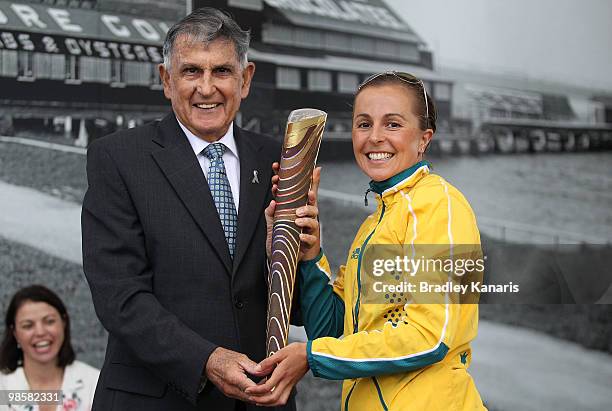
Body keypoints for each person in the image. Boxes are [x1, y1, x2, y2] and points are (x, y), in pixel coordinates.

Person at [81, 7, 309, 411]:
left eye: (222, 71)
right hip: (157, 400)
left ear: (246, 79)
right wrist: (207, 360)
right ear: (166, 80)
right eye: (191, 72)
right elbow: (120, 295)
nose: (207, 88)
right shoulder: (118, 158)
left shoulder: (279, 160)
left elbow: (293, 300)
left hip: (260, 401)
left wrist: (305, 254)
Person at [248, 71, 486, 410]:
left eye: (392, 124)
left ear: (424, 138)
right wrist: (310, 257)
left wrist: (312, 356)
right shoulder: (376, 221)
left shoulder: (442, 206)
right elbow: (333, 331)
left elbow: (430, 337)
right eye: (363, 124)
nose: (374, 137)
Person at [0, 285, 100, 411]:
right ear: (14, 333)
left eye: (49, 321)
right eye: (28, 325)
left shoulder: (94, 383)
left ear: (64, 323)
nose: (40, 332)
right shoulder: (2, 387)